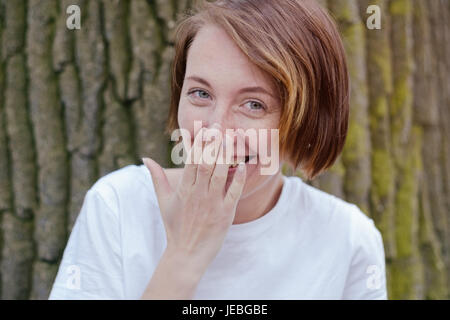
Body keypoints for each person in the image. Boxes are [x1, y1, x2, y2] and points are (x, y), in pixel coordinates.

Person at [49, 0, 387, 300]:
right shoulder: (117, 207)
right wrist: (185, 256)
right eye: (201, 94)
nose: (215, 130)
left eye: (254, 104)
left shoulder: (348, 240)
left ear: (308, 119)